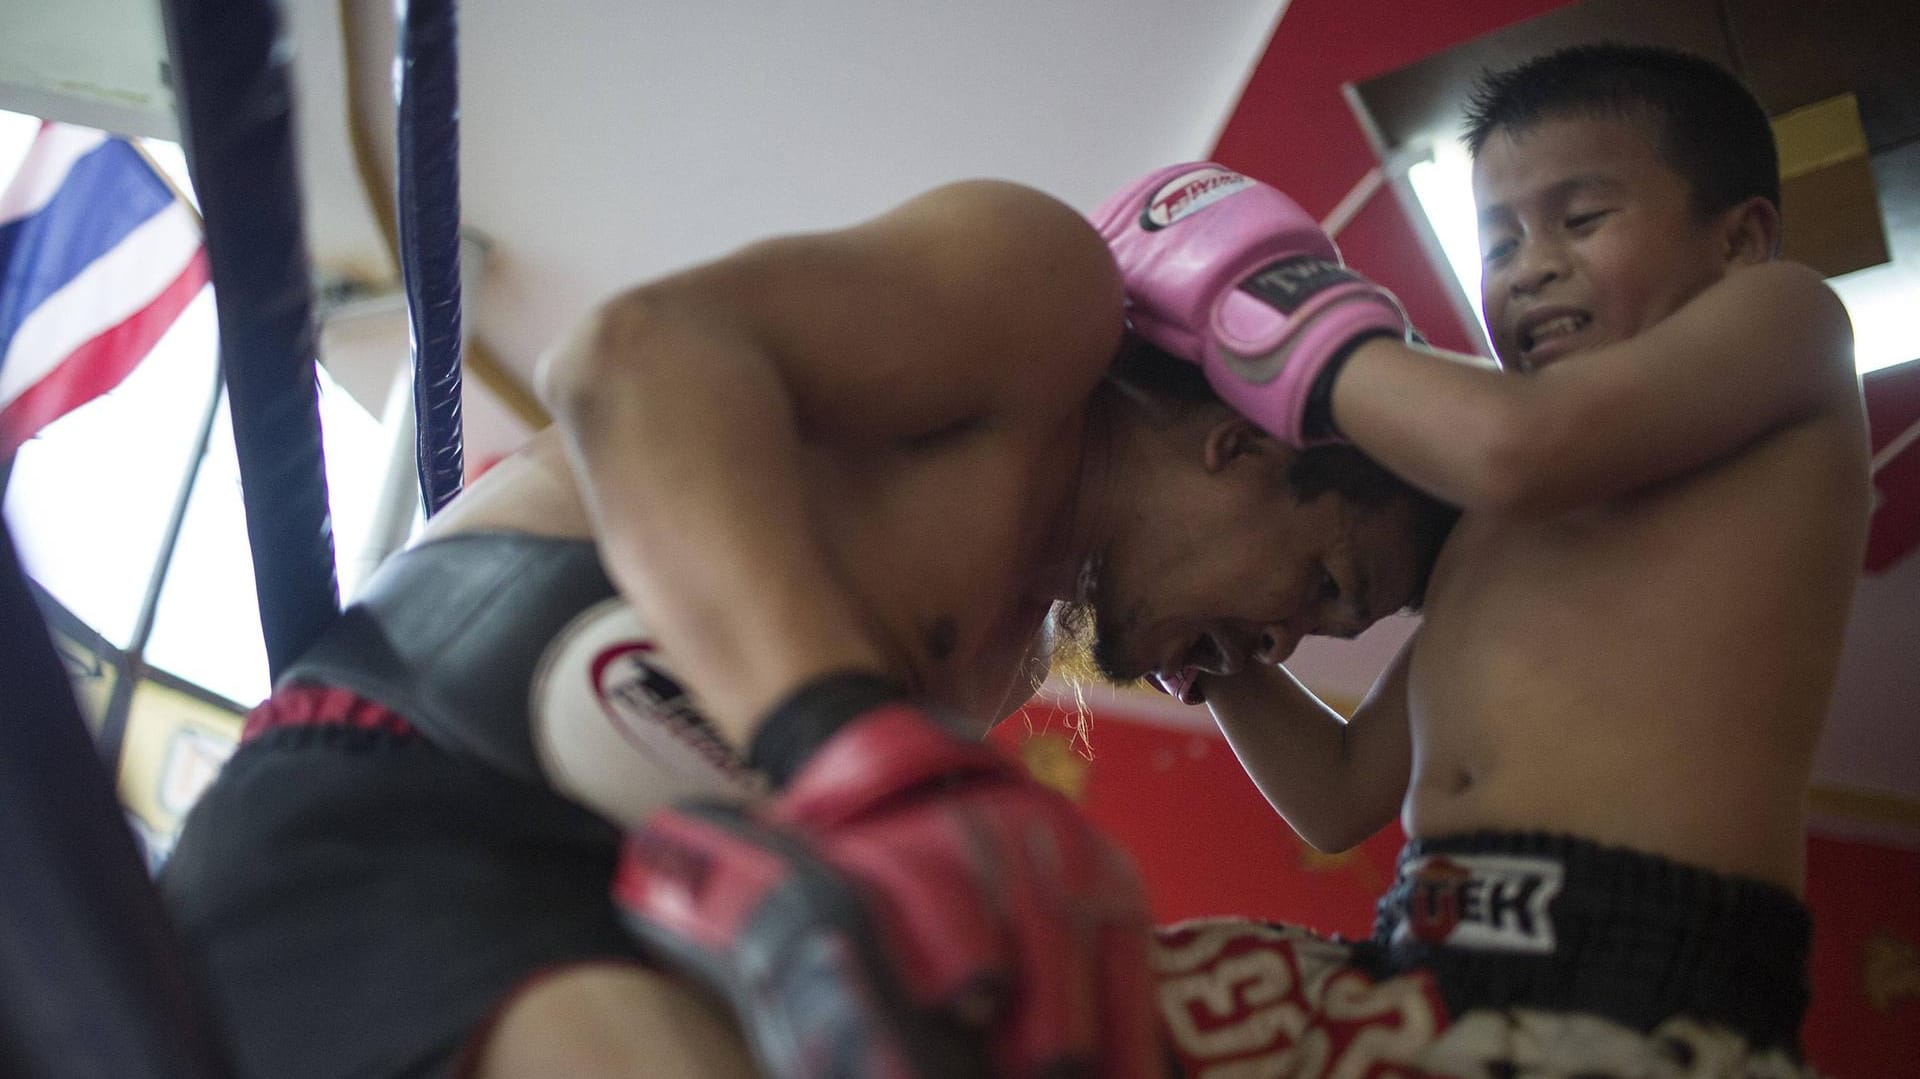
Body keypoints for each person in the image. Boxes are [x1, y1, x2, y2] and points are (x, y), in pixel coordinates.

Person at [157, 176, 1456, 1077]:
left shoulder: (1008, 646)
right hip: (405, 813)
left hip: (593, 917)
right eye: (1331, 586)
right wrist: (839, 734)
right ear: (1242, 443)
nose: (1289, 640)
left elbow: (1338, 796)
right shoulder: (1049, 299)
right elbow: (632, 356)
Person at [1105, 44, 1869, 1076]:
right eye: (1497, 238)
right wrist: (1195, 630)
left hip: (1645, 984)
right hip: (1425, 959)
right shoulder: (1499, 527)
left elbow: (1521, 444)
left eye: (1581, 218)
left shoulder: (1789, 321)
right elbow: (1337, 795)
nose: (1531, 263)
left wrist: (1256, 309)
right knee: (1074, 997)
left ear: (1741, 240)